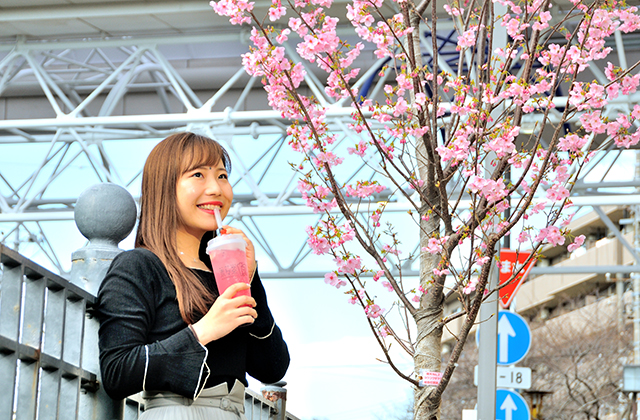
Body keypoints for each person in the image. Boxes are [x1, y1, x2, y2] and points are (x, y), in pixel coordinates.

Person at [96, 132, 290, 420]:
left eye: (222, 176)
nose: (216, 189)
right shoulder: (139, 266)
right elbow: (117, 371)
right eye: (198, 175)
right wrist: (203, 331)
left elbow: (272, 368)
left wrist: (251, 280)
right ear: (164, 187)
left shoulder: (221, 273)